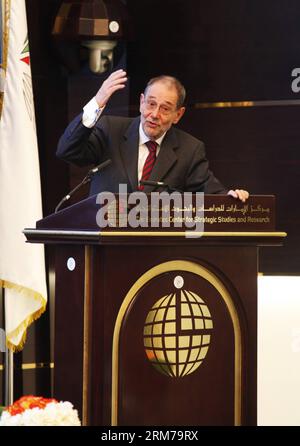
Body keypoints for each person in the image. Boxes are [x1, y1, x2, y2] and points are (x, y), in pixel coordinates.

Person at [57, 70, 249, 201]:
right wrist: (97, 102)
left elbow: (211, 193)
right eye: (150, 104)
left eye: (165, 109)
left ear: (178, 115)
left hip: (158, 250)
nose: (155, 114)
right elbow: (67, 150)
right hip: (106, 242)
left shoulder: (189, 150)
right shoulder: (110, 130)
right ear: (141, 102)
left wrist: (230, 197)